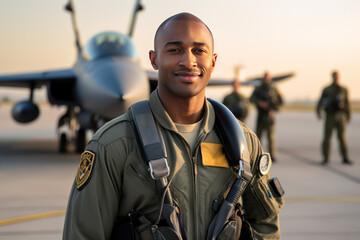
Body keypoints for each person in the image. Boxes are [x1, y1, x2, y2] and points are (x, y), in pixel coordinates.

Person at [63, 13, 283, 239]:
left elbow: (265, 226)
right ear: (154, 59)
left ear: (213, 61)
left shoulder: (244, 142)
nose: (188, 62)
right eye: (175, 50)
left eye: (199, 50)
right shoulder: (114, 144)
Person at [316, 70, 352, 165]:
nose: (335, 78)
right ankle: (325, 157)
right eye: (334, 76)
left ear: (338, 77)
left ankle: (345, 157)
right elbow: (321, 101)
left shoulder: (343, 89)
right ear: (332, 77)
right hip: (330, 116)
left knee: (342, 137)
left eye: (337, 76)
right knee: (327, 137)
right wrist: (318, 111)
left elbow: (347, 103)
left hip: (340, 116)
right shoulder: (327, 89)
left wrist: (348, 115)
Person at [250, 72, 283, 163]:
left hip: (270, 116)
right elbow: (251, 98)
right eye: (265, 78)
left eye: (268, 78)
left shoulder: (274, 88)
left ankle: (272, 156)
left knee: (271, 137)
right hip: (261, 115)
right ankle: (256, 155)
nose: (266, 80)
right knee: (258, 136)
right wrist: (259, 103)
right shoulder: (258, 88)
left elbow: (280, 101)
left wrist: (273, 110)